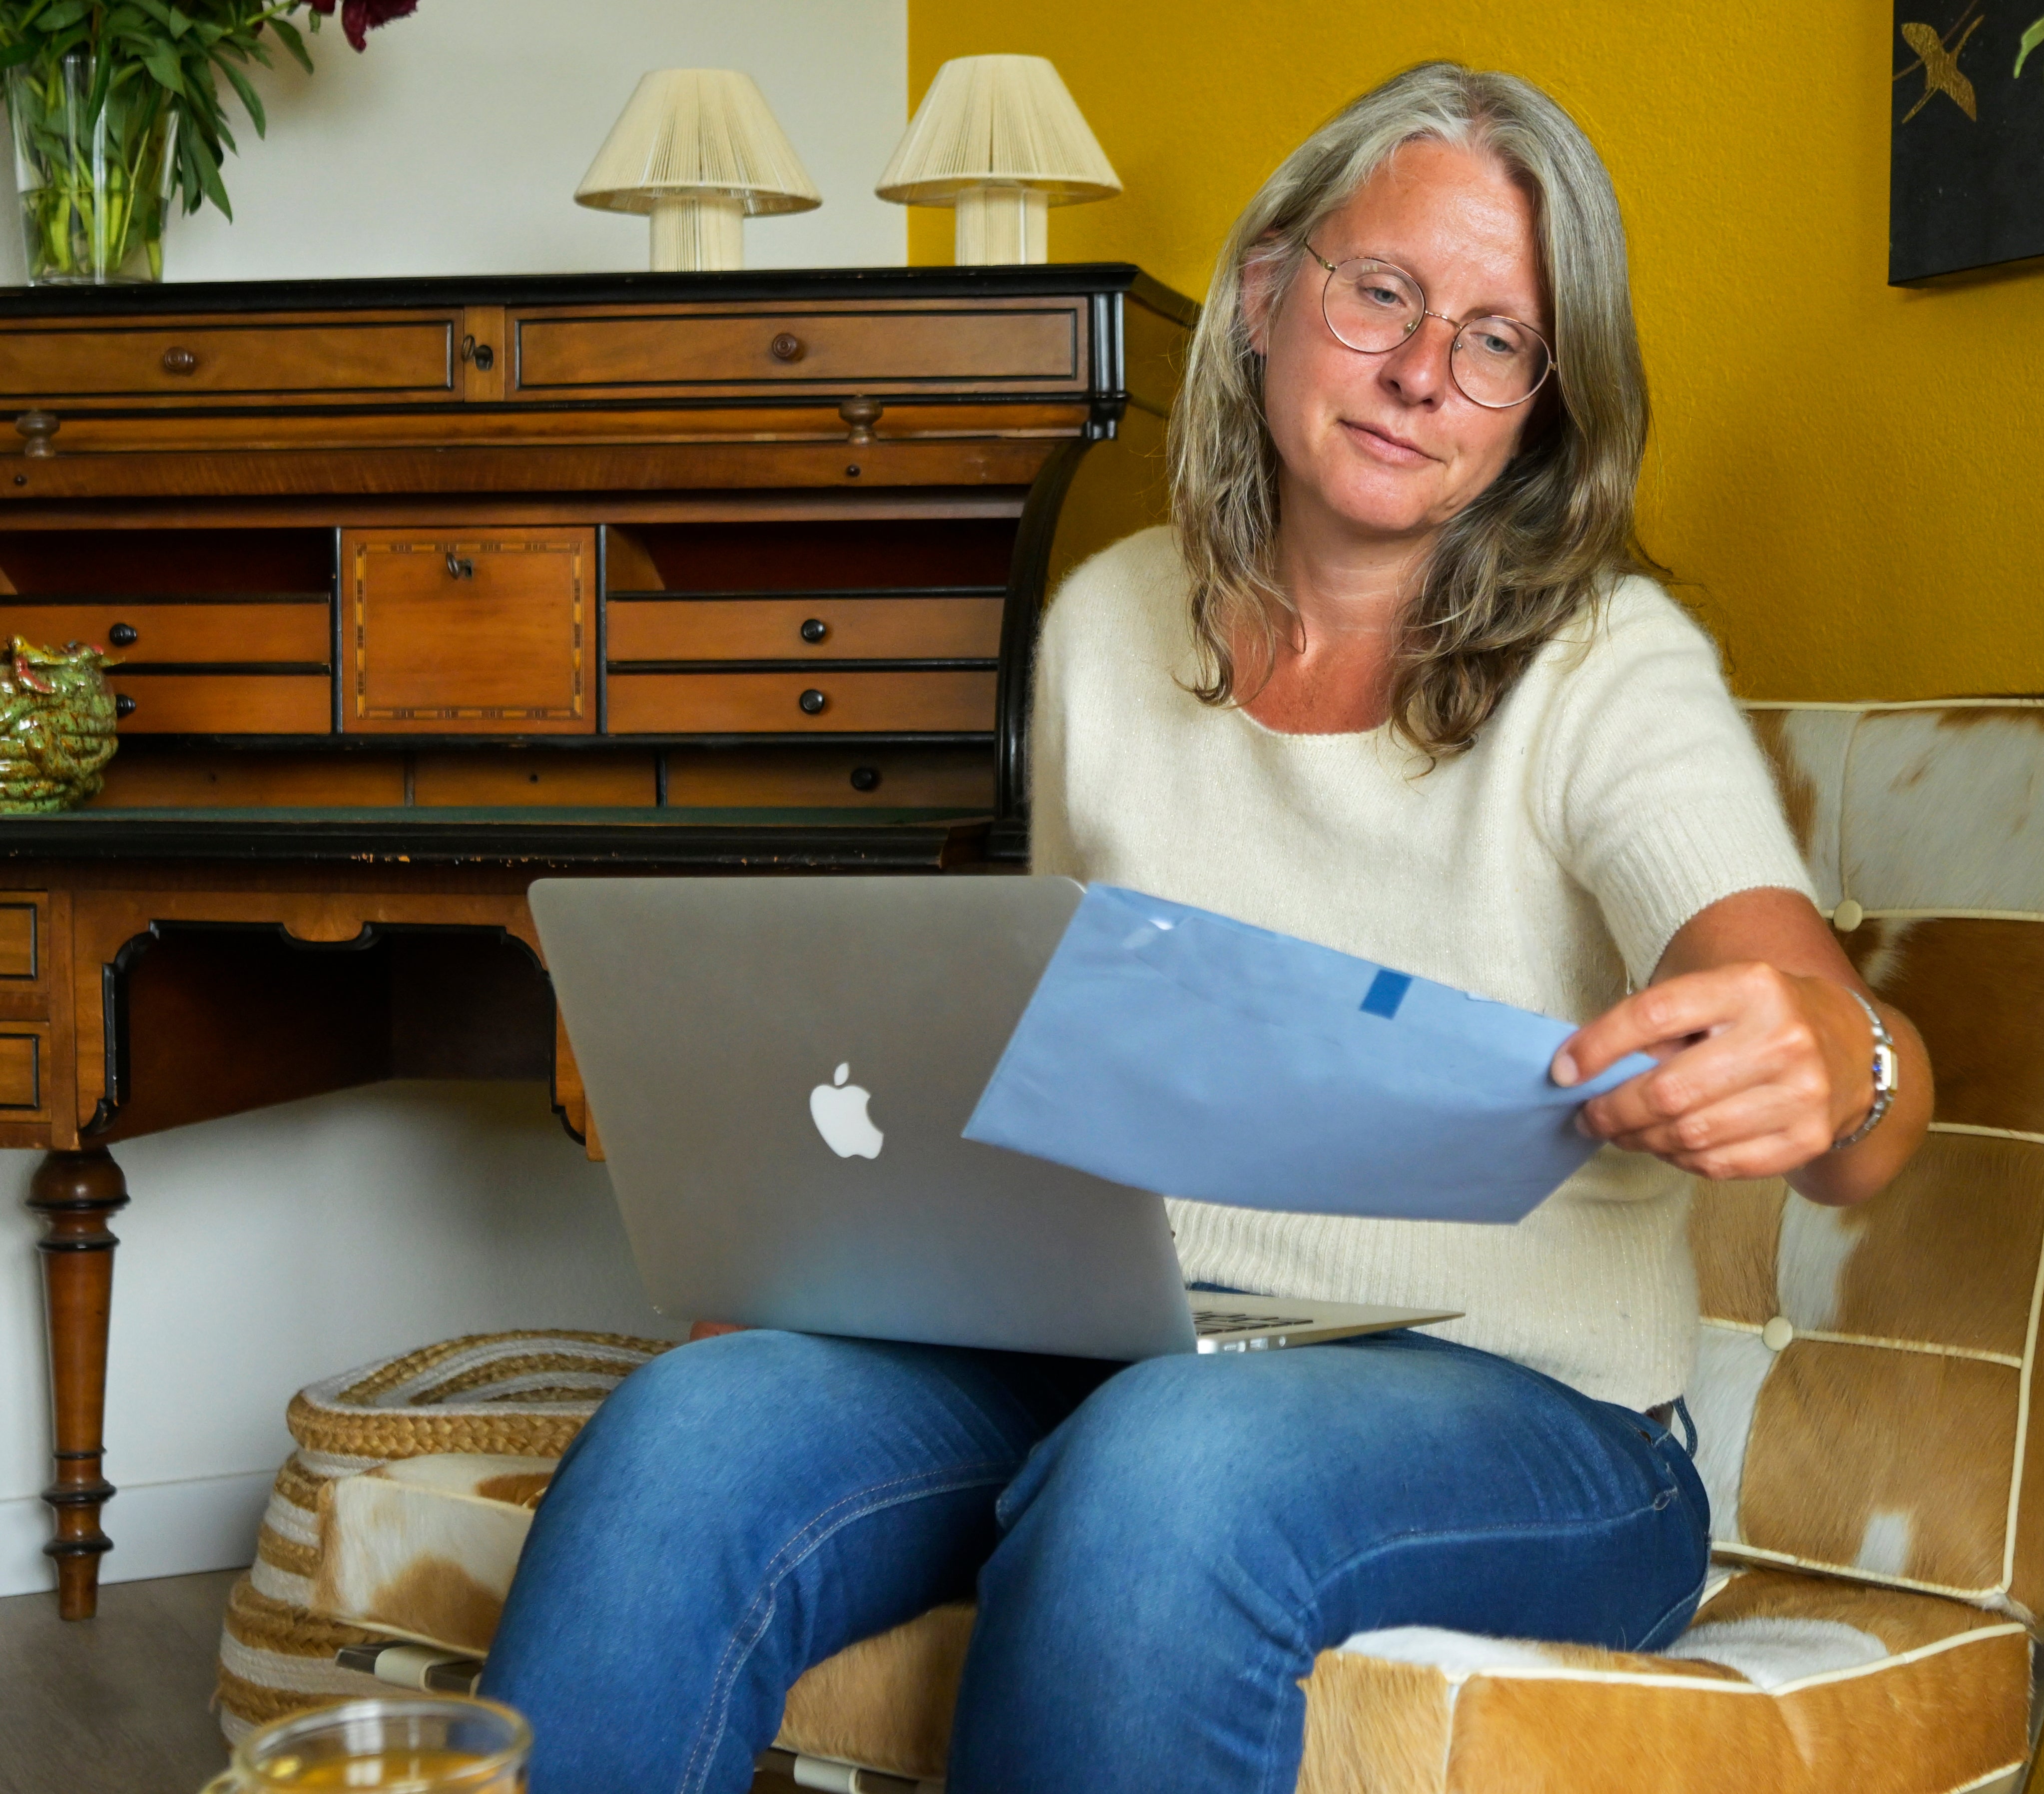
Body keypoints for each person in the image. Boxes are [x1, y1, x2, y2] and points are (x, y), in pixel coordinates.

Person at [479, 61, 1932, 1794]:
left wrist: (1833, 1064)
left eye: (1494, 339)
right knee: (688, 1437)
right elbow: (1036, 1044)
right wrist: (842, 1265)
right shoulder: (1105, 627)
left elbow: (1833, 1062)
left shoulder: (1613, 672)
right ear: (1265, 294)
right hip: (1115, 1340)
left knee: (1168, 1472)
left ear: (1541, 405)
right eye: (1382, 291)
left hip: (1534, 1422)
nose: (1419, 373)